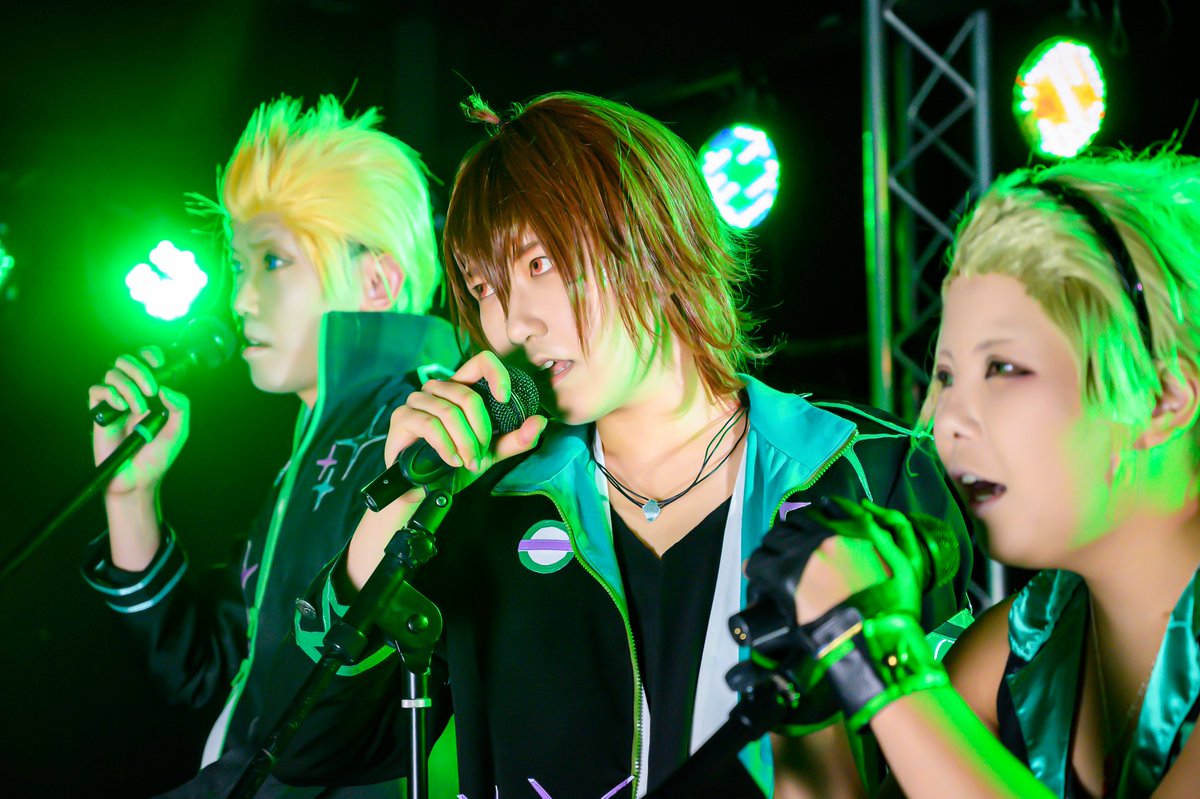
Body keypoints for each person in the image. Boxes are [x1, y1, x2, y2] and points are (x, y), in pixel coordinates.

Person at [274, 90, 974, 799]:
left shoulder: (868, 468)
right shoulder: (487, 508)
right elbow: (310, 752)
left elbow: (964, 751)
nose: (513, 322)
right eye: (485, 287)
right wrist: (389, 521)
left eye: (539, 264)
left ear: (651, 238)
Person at [746, 150, 1200, 798]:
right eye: (945, 374)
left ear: (1163, 399)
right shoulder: (1017, 649)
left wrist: (883, 657)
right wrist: (809, 697)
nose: (943, 419)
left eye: (1003, 368)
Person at [82, 94, 458, 797]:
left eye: (274, 261)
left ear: (377, 281)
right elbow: (206, 673)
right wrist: (130, 496)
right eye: (239, 264)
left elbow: (318, 738)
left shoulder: (417, 434)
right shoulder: (311, 454)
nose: (240, 300)